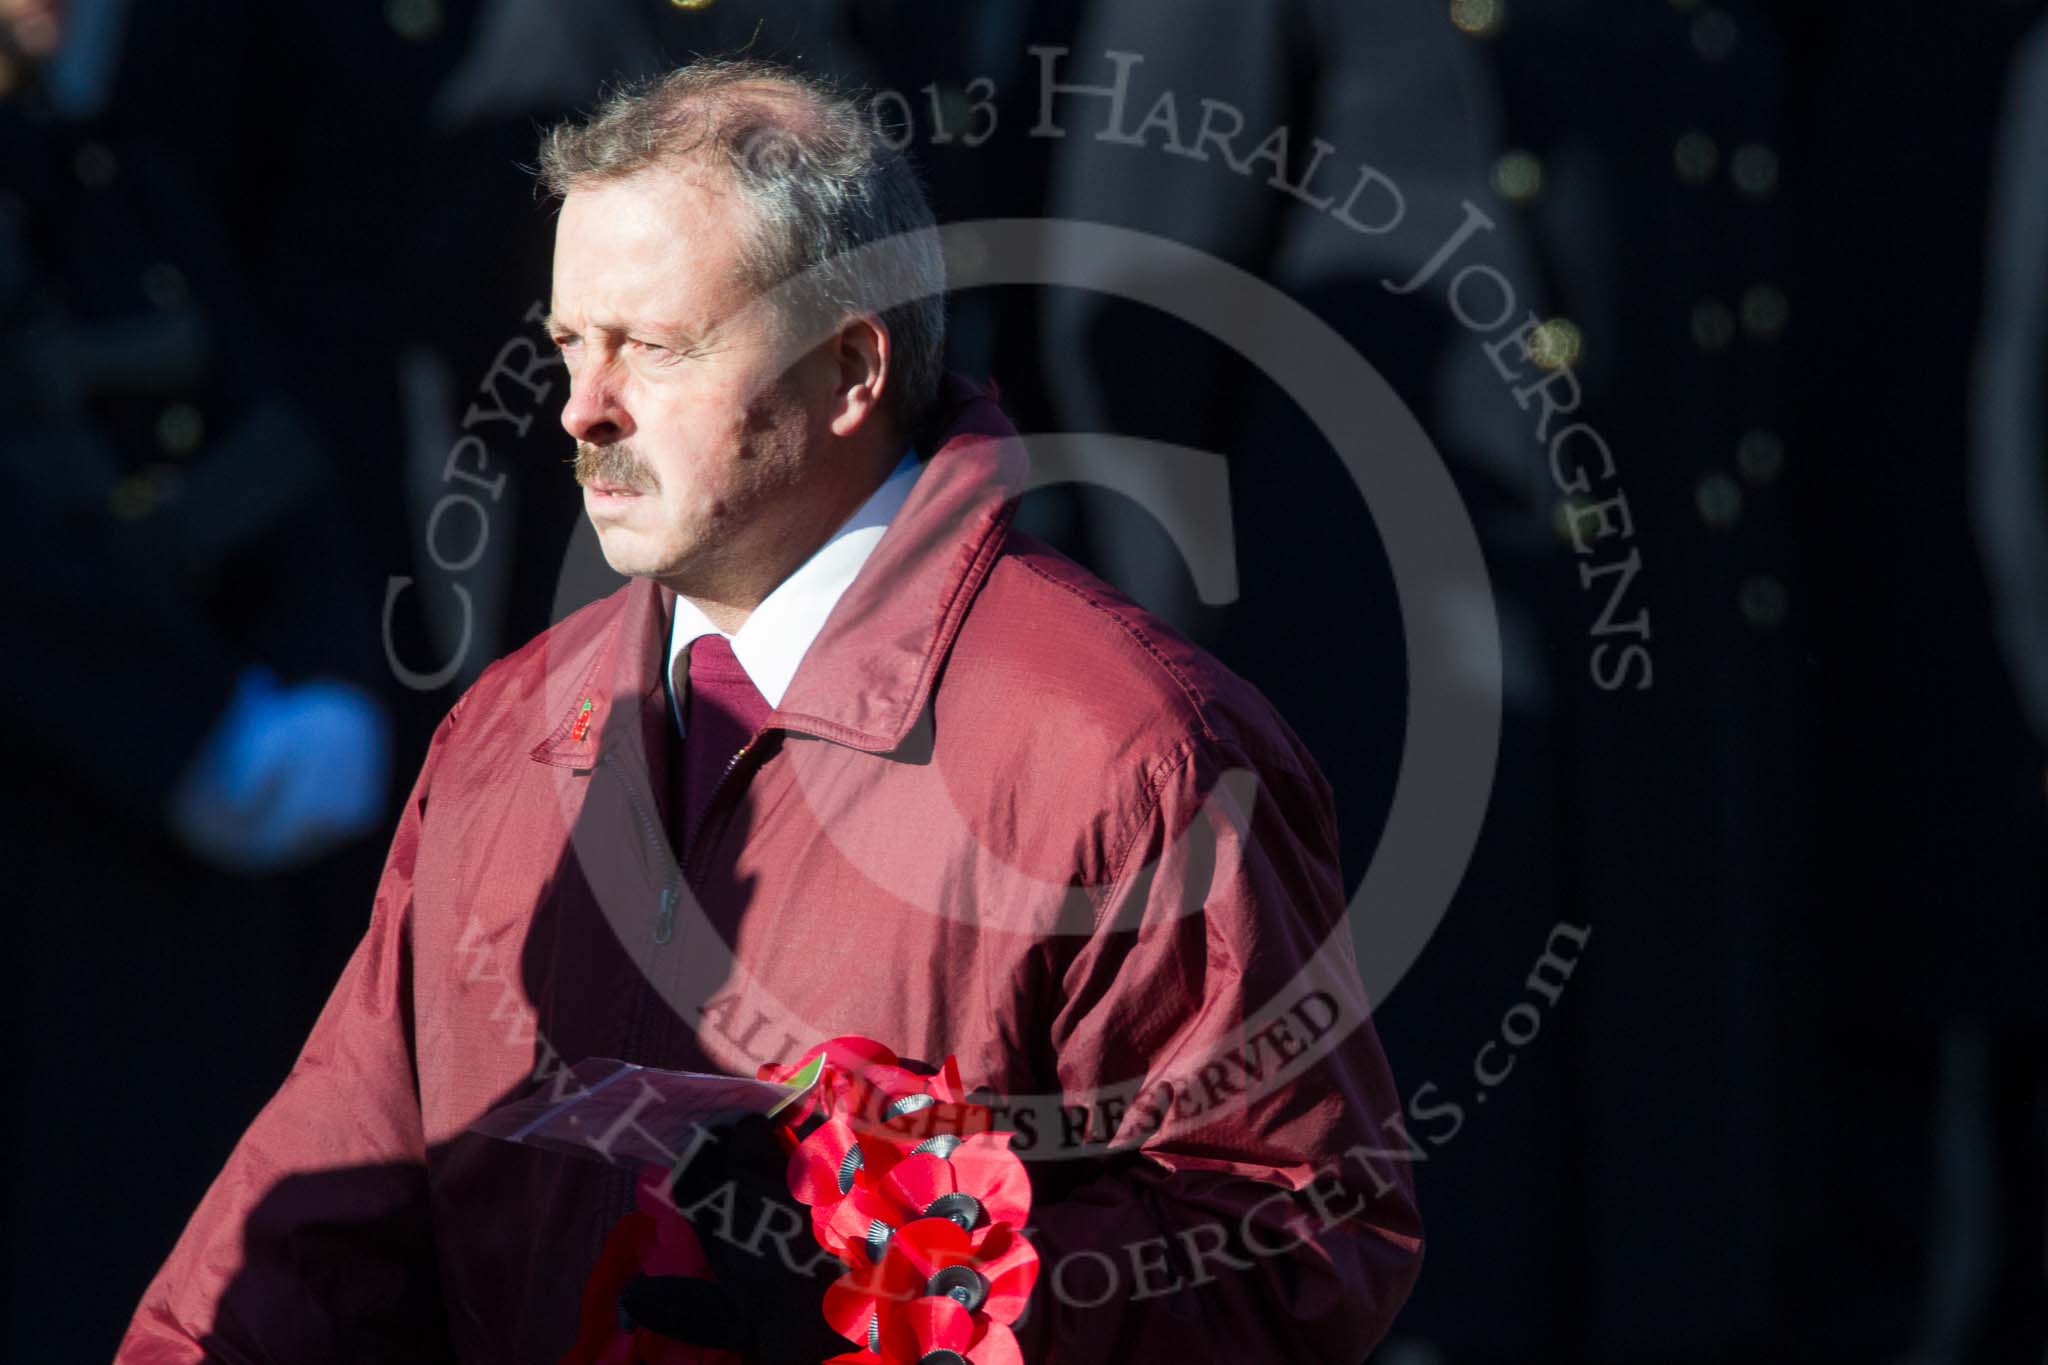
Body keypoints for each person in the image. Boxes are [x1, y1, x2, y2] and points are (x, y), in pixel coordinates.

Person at [118, 57, 1420, 1364]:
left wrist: (916, 1283)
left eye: (656, 346)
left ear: (852, 368)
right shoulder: (505, 737)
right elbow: (315, 1230)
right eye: (571, 343)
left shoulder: (1123, 752)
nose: (583, 408)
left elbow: (1304, 1242)